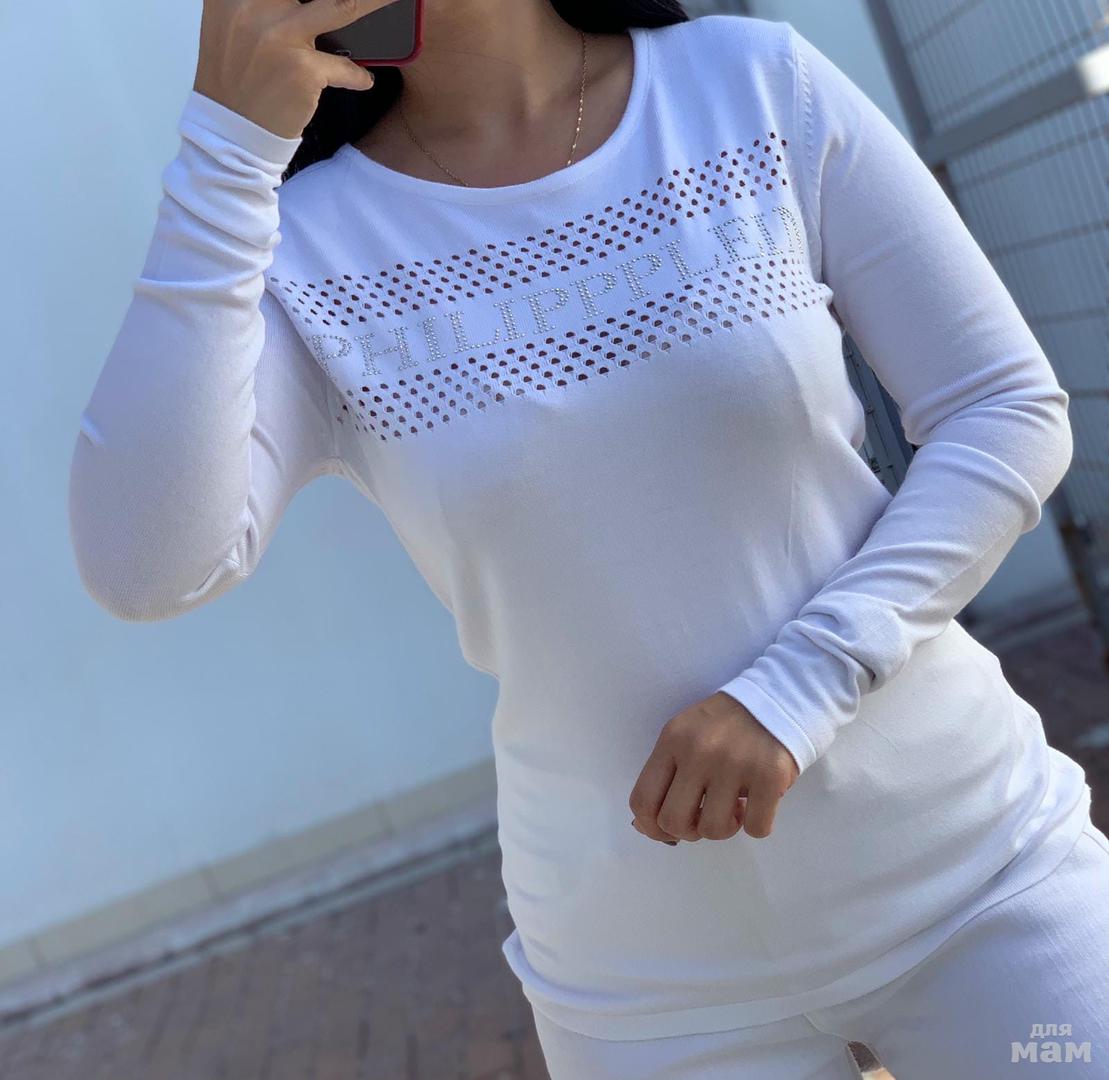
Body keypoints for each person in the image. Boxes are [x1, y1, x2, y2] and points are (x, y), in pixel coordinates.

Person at [68, 0, 1109, 1075]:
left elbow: (1002, 408)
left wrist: (800, 683)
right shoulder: (305, 242)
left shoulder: (744, 84)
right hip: (645, 984)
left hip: (971, 868)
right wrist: (226, 152)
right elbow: (147, 565)